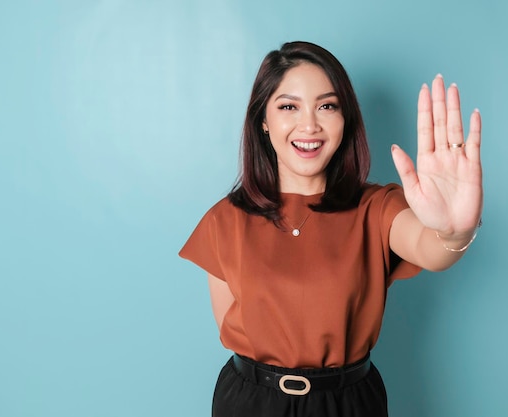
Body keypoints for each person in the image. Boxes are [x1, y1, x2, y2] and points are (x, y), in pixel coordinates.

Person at [179, 41, 483, 417]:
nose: (309, 124)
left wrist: (455, 230)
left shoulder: (376, 207)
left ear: (345, 119)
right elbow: (231, 329)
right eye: (289, 106)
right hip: (250, 403)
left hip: (349, 403)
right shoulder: (225, 219)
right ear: (263, 120)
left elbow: (431, 247)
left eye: (327, 106)